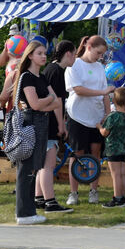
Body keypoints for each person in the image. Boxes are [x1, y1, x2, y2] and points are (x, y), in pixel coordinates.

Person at [12, 41, 62, 225]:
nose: (43, 56)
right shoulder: (26, 77)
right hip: (30, 126)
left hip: (41, 126)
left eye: (44, 53)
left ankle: (29, 211)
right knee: (26, 169)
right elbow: (35, 104)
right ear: (30, 55)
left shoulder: (41, 78)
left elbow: (57, 102)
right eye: (39, 53)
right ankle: (23, 213)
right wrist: (48, 100)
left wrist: (46, 102)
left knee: (34, 167)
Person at [65, 36, 113, 205]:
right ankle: (73, 193)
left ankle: (94, 190)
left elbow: (105, 92)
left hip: (96, 118)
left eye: (102, 54)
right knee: (77, 154)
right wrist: (101, 93)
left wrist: (108, 113)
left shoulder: (100, 67)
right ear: (89, 46)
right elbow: (78, 90)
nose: (100, 57)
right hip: (77, 116)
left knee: (96, 153)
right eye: (98, 52)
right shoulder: (74, 64)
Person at [36, 40, 75, 213]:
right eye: (74, 54)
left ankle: (38, 198)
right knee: (49, 164)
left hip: (43, 121)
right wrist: (61, 124)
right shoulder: (57, 71)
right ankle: (50, 201)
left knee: (42, 163)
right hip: (49, 122)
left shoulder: (50, 70)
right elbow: (57, 100)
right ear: (68, 53)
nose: (75, 58)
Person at [99, 87, 125, 208]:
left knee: (115, 175)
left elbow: (105, 133)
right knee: (122, 174)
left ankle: (117, 198)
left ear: (114, 101)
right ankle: (122, 197)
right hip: (124, 148)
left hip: (112, 148)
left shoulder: (112, 117)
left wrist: (99, 126)